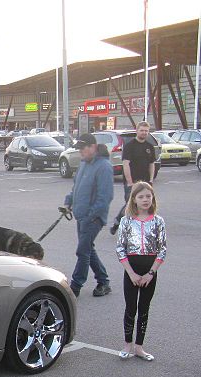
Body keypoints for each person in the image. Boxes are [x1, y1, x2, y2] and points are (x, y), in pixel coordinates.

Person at [115, 181, 166, 361]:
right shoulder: (126, 221)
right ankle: (127, 344)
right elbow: (120, 248)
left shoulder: (158, 221)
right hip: (132, 269)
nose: (145, 200)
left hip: (149, 271)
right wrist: (131, 273)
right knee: (131, 308)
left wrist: (150, 273)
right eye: (141, 196)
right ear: (134, 200)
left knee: (144, 308)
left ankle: (139, 347)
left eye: (148, 196)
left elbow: (162, 249)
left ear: (152, 198)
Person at [63, 133, 114, 298]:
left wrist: (90, 216)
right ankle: (103, 281)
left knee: (82, 251)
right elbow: (76, 187)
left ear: (93, 147)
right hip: (81, 215)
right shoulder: (84, 164)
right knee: (88, 250)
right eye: (79, 149)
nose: (81, 152)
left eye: (83, 148)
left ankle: (74, 288)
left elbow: (105, 197)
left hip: (93, 218)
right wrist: (68, 202)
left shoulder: (104, 166)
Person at [111, 121, 155, 235]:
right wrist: (130, 182)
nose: (144, 133)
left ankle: (140, 228)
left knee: (145, 205)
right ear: (137, 130)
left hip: (145, 182)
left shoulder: (149, 147)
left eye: (146, 131)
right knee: (130, 205)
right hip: (132, 182)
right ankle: (118, 221)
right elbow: (126, 164)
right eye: (142, 130)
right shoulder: (130, 146)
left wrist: (151, 180)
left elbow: (152, 164)